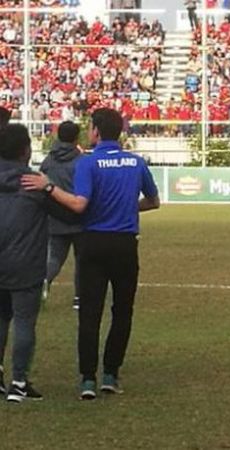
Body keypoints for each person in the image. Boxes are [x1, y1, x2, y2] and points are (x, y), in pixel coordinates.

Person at [21, 108, 160, 400]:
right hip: (125, 244)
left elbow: (79, 205)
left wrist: (48, 187)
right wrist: (125, 209)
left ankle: (87, 379)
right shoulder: (136, 162)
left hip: (94, 243)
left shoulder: (89, 162)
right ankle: (110, 374)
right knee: (122, 311)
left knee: (90, 313)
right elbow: (153, 201)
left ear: (95, 131)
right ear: (119, 132)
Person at [1, 125, 77, 402]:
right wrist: (49, 186)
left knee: (0, 319)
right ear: (25, 150)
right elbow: (69, 215)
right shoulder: (32, 182)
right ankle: (19, 382)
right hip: (25, 264)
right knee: (23, 322)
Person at [40, 121, 83, 310]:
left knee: (54, 258)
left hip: (55, 216)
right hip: (79, 215)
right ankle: (79, 298)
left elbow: (41, 185)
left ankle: (43, 282)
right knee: (82, 260)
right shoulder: (81, 161)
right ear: (76, 138)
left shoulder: (48, 160)